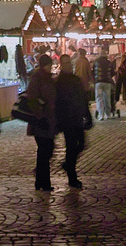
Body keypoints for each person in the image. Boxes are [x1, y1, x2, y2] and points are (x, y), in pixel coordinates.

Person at [55, 53, 91, 188]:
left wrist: (86, 114)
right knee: (71, 146)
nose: (68, 65)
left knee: (81, 144)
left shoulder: (75, 79)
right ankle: (72, 175)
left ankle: (68, 165)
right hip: (67, 119)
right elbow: (58, 102)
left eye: (69, 63)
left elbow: (82, 98)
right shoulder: (59, 82)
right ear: (61, 65)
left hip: (76, 117)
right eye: (65, 63)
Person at [25, 53, 57, 192]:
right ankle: (44, 182)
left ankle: (40, 181)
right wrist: (40, 115)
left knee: (45, 150)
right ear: (45, 65)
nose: (51, 68)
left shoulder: (47, 78)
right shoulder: (38, 78)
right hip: (41, 121)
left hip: (48, 119)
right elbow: (32, 99)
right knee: (45, 150)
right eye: (49, 65)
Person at [92, 49, 114, 120]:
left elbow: (93, 72)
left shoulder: (96, 62)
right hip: (107, 82)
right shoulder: (109, 63)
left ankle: (101, 115)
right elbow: (112, 72)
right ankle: (108, 114)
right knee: (107, 98)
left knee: (99, 99)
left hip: (98, 82)